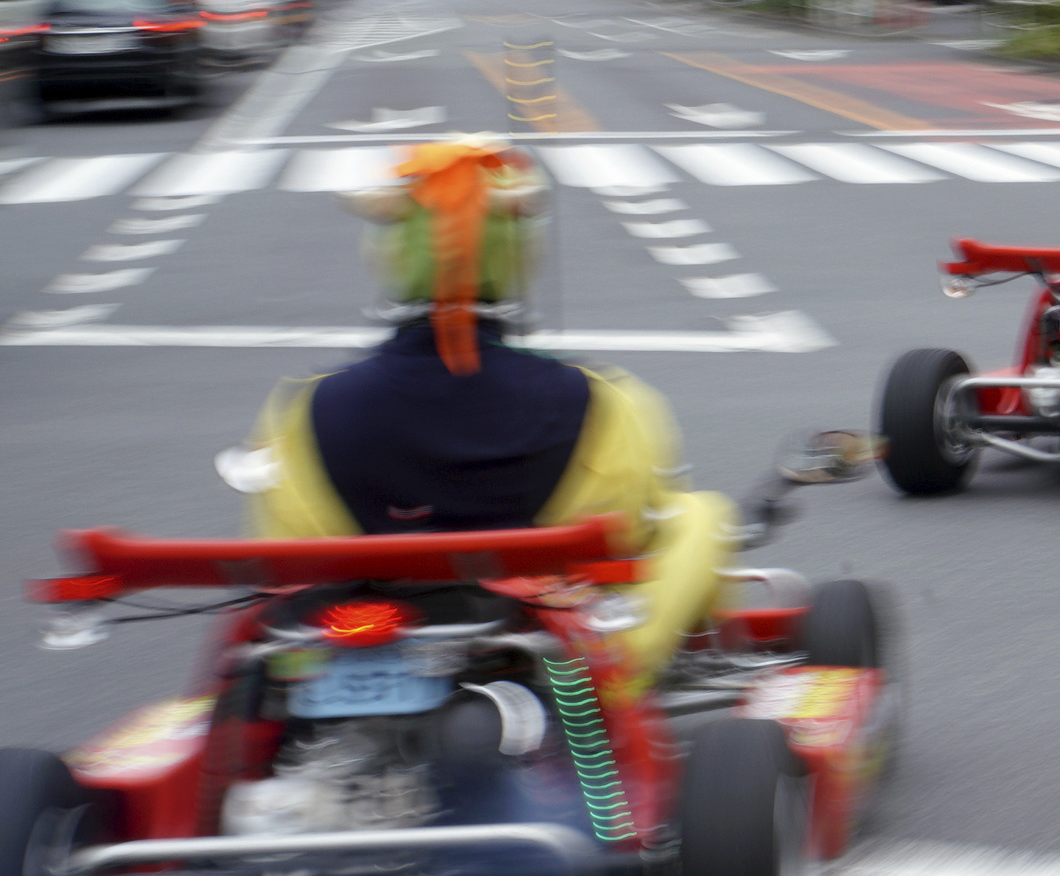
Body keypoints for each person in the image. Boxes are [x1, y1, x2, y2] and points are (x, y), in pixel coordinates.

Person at [237, 138, 729, 696]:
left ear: (388, 253)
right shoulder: (607, 401)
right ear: (522, 254)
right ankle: (619, 680)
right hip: (549, 653)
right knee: (700, 514)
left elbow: (291, 552)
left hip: (364, 636)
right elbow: (635, 531)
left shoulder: (302, 407)